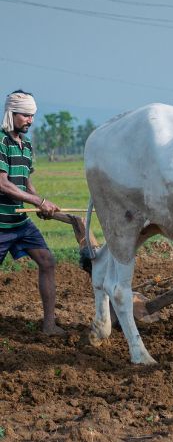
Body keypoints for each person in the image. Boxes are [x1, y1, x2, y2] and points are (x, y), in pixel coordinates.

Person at [0, 89, 64, 335]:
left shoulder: (25, 145)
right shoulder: (1, 141)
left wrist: (40, 203)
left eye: (32, 115)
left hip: (19, 223)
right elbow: (3, 184)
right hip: (1, 223)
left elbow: (25, 182)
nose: (30, 120)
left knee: (47, 262)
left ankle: (49, 325)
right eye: (25, 115)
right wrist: (38, 201)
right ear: (11, 113)